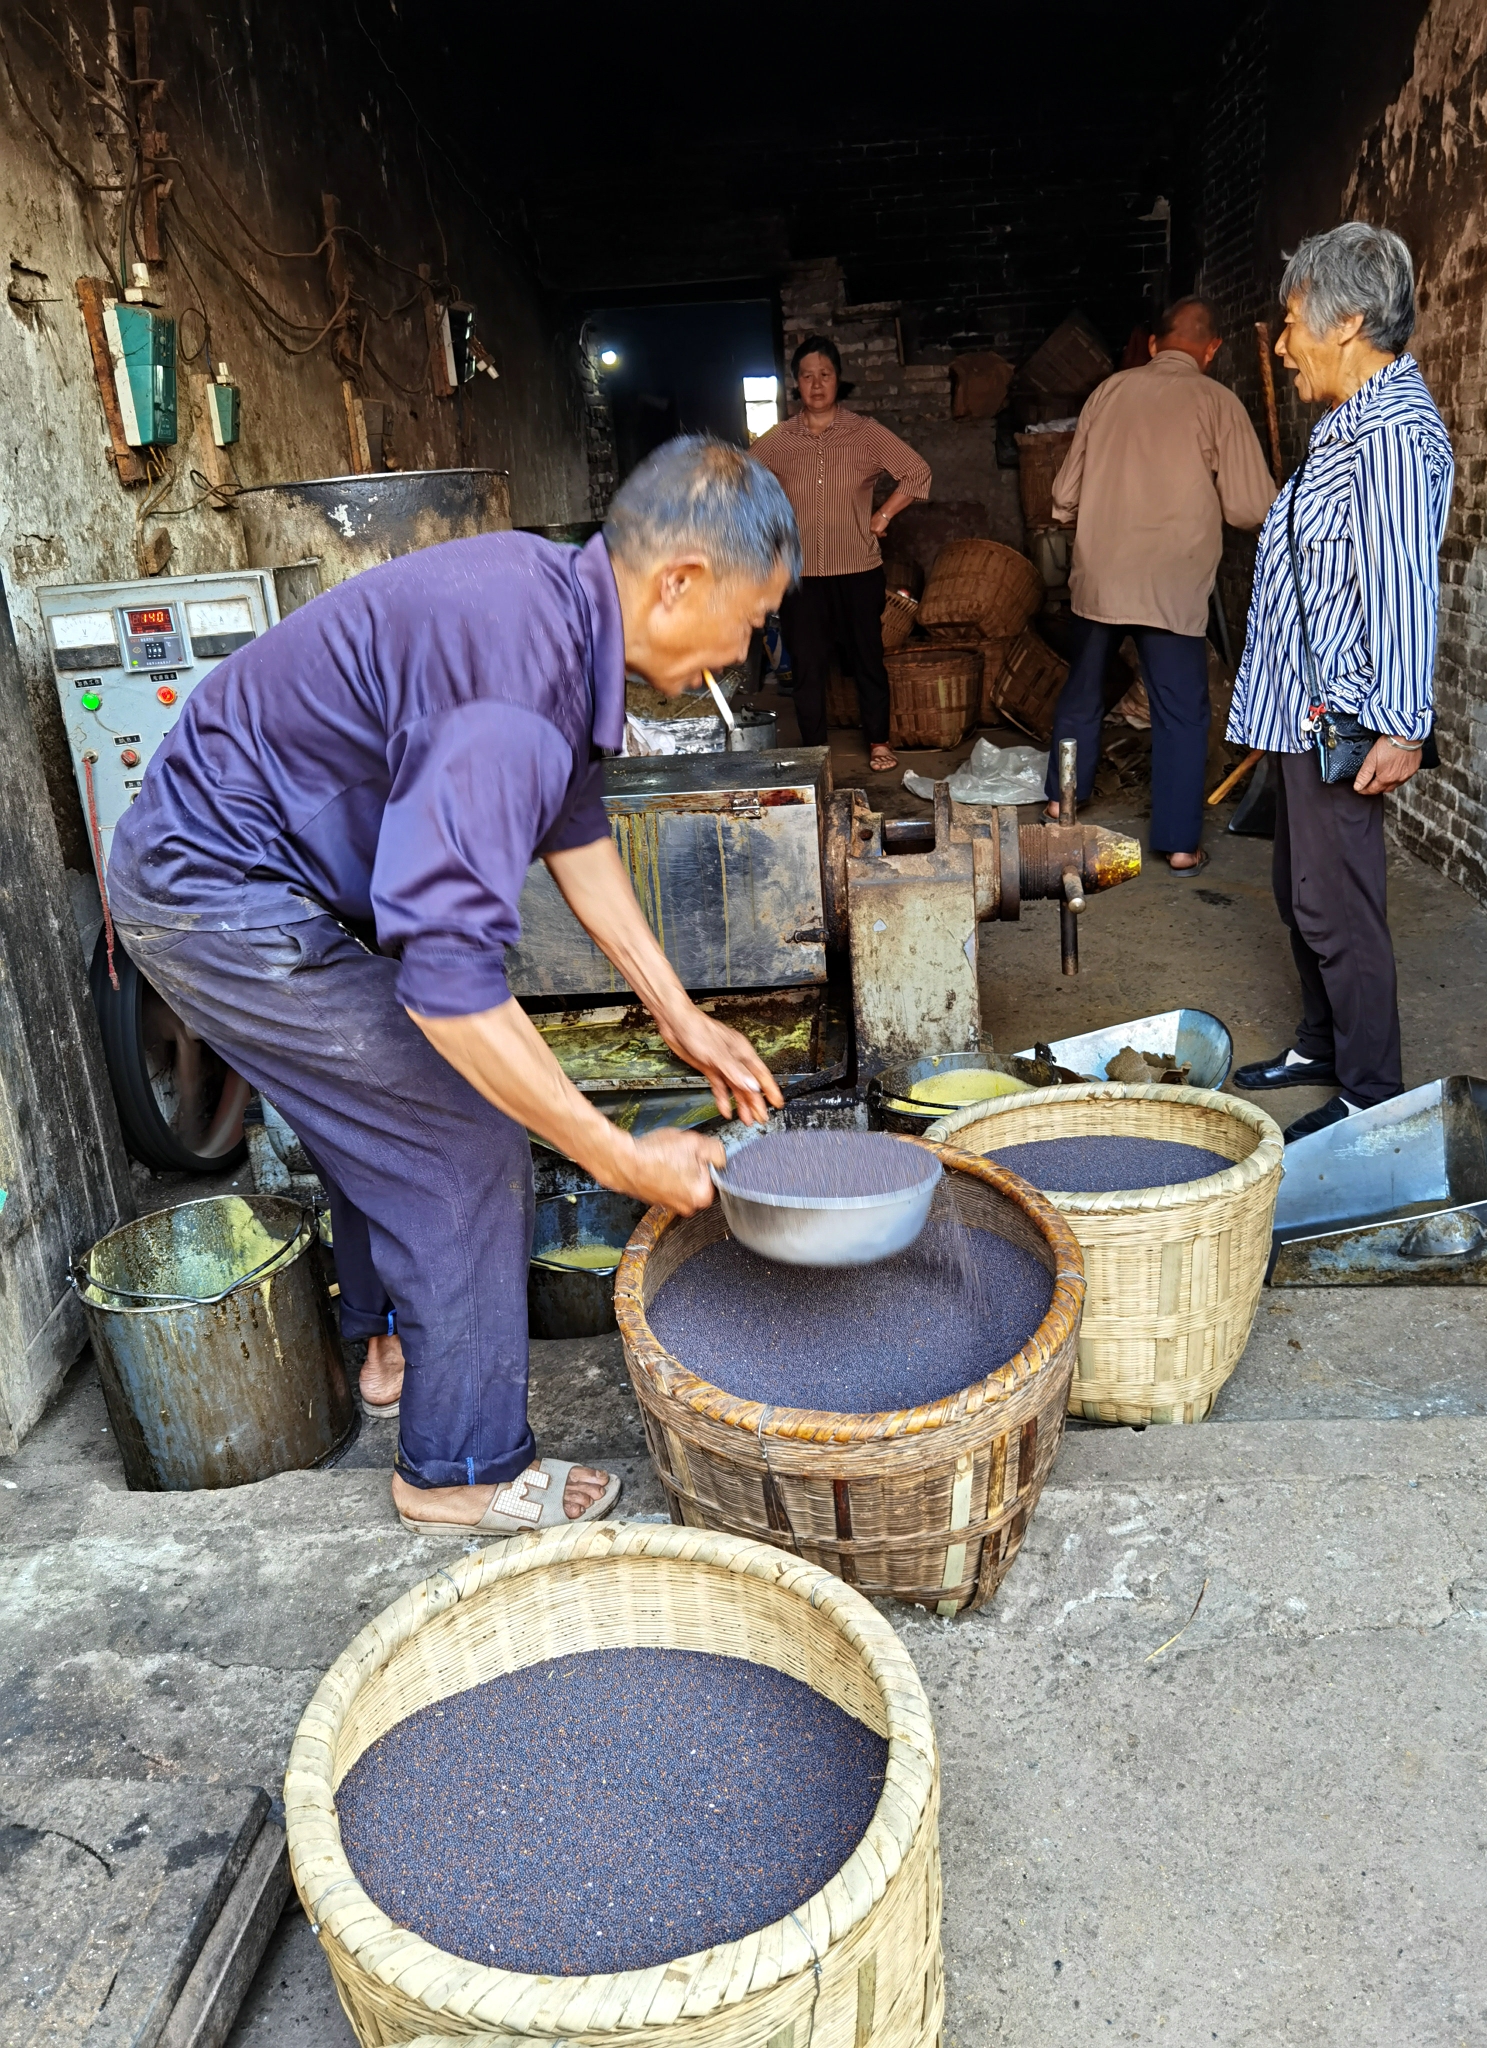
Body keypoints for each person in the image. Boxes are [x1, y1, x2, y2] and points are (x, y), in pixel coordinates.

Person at [106, 438, 797, 1534]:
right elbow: (447, 987)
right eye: (754, 617)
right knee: (465, 1130)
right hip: (219, 895)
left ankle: (388, 1344)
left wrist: (683, 1015)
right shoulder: (511, 693)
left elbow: (575, 834)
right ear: (681, 583)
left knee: (386, 1096)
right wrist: (615, 1153)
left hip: (257, 869)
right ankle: (458, 1467)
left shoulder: (554, 608)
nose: (748, 644)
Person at [1229, 225, 1453, 1142]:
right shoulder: (1342, 426)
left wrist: (1400, 725)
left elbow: (1403, 587)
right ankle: (1323, 1042)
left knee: (1339, 903)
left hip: (1348, 714)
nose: (1282, 347)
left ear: (1350, 321)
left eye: (1292, 325)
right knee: (1298, 890)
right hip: (1299, 713)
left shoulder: (1394, 435)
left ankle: (1370, 1089)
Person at [1044, 296, 1277, 869]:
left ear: (1154, 344)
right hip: (1171, 584)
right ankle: (1177, 845)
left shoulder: (1108, 392)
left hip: (1102, 573)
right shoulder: (1217, 402)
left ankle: (1059, 802)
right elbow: (1250, 506)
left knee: (1082, 694)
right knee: (1180, 710)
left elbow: (1063, 497)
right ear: (1212, 349)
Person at [750, 335, 932, 772]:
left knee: (867, 658)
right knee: (808, 667)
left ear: (838, 380)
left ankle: (878, 742)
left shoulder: (864, 432)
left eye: (825, 375)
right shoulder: (778, 439)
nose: (816, 384)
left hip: (858, 571)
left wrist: (883, 515)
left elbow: (917, 472)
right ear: (796, 383)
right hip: (802, 577)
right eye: (807, 376)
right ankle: (815, 753)